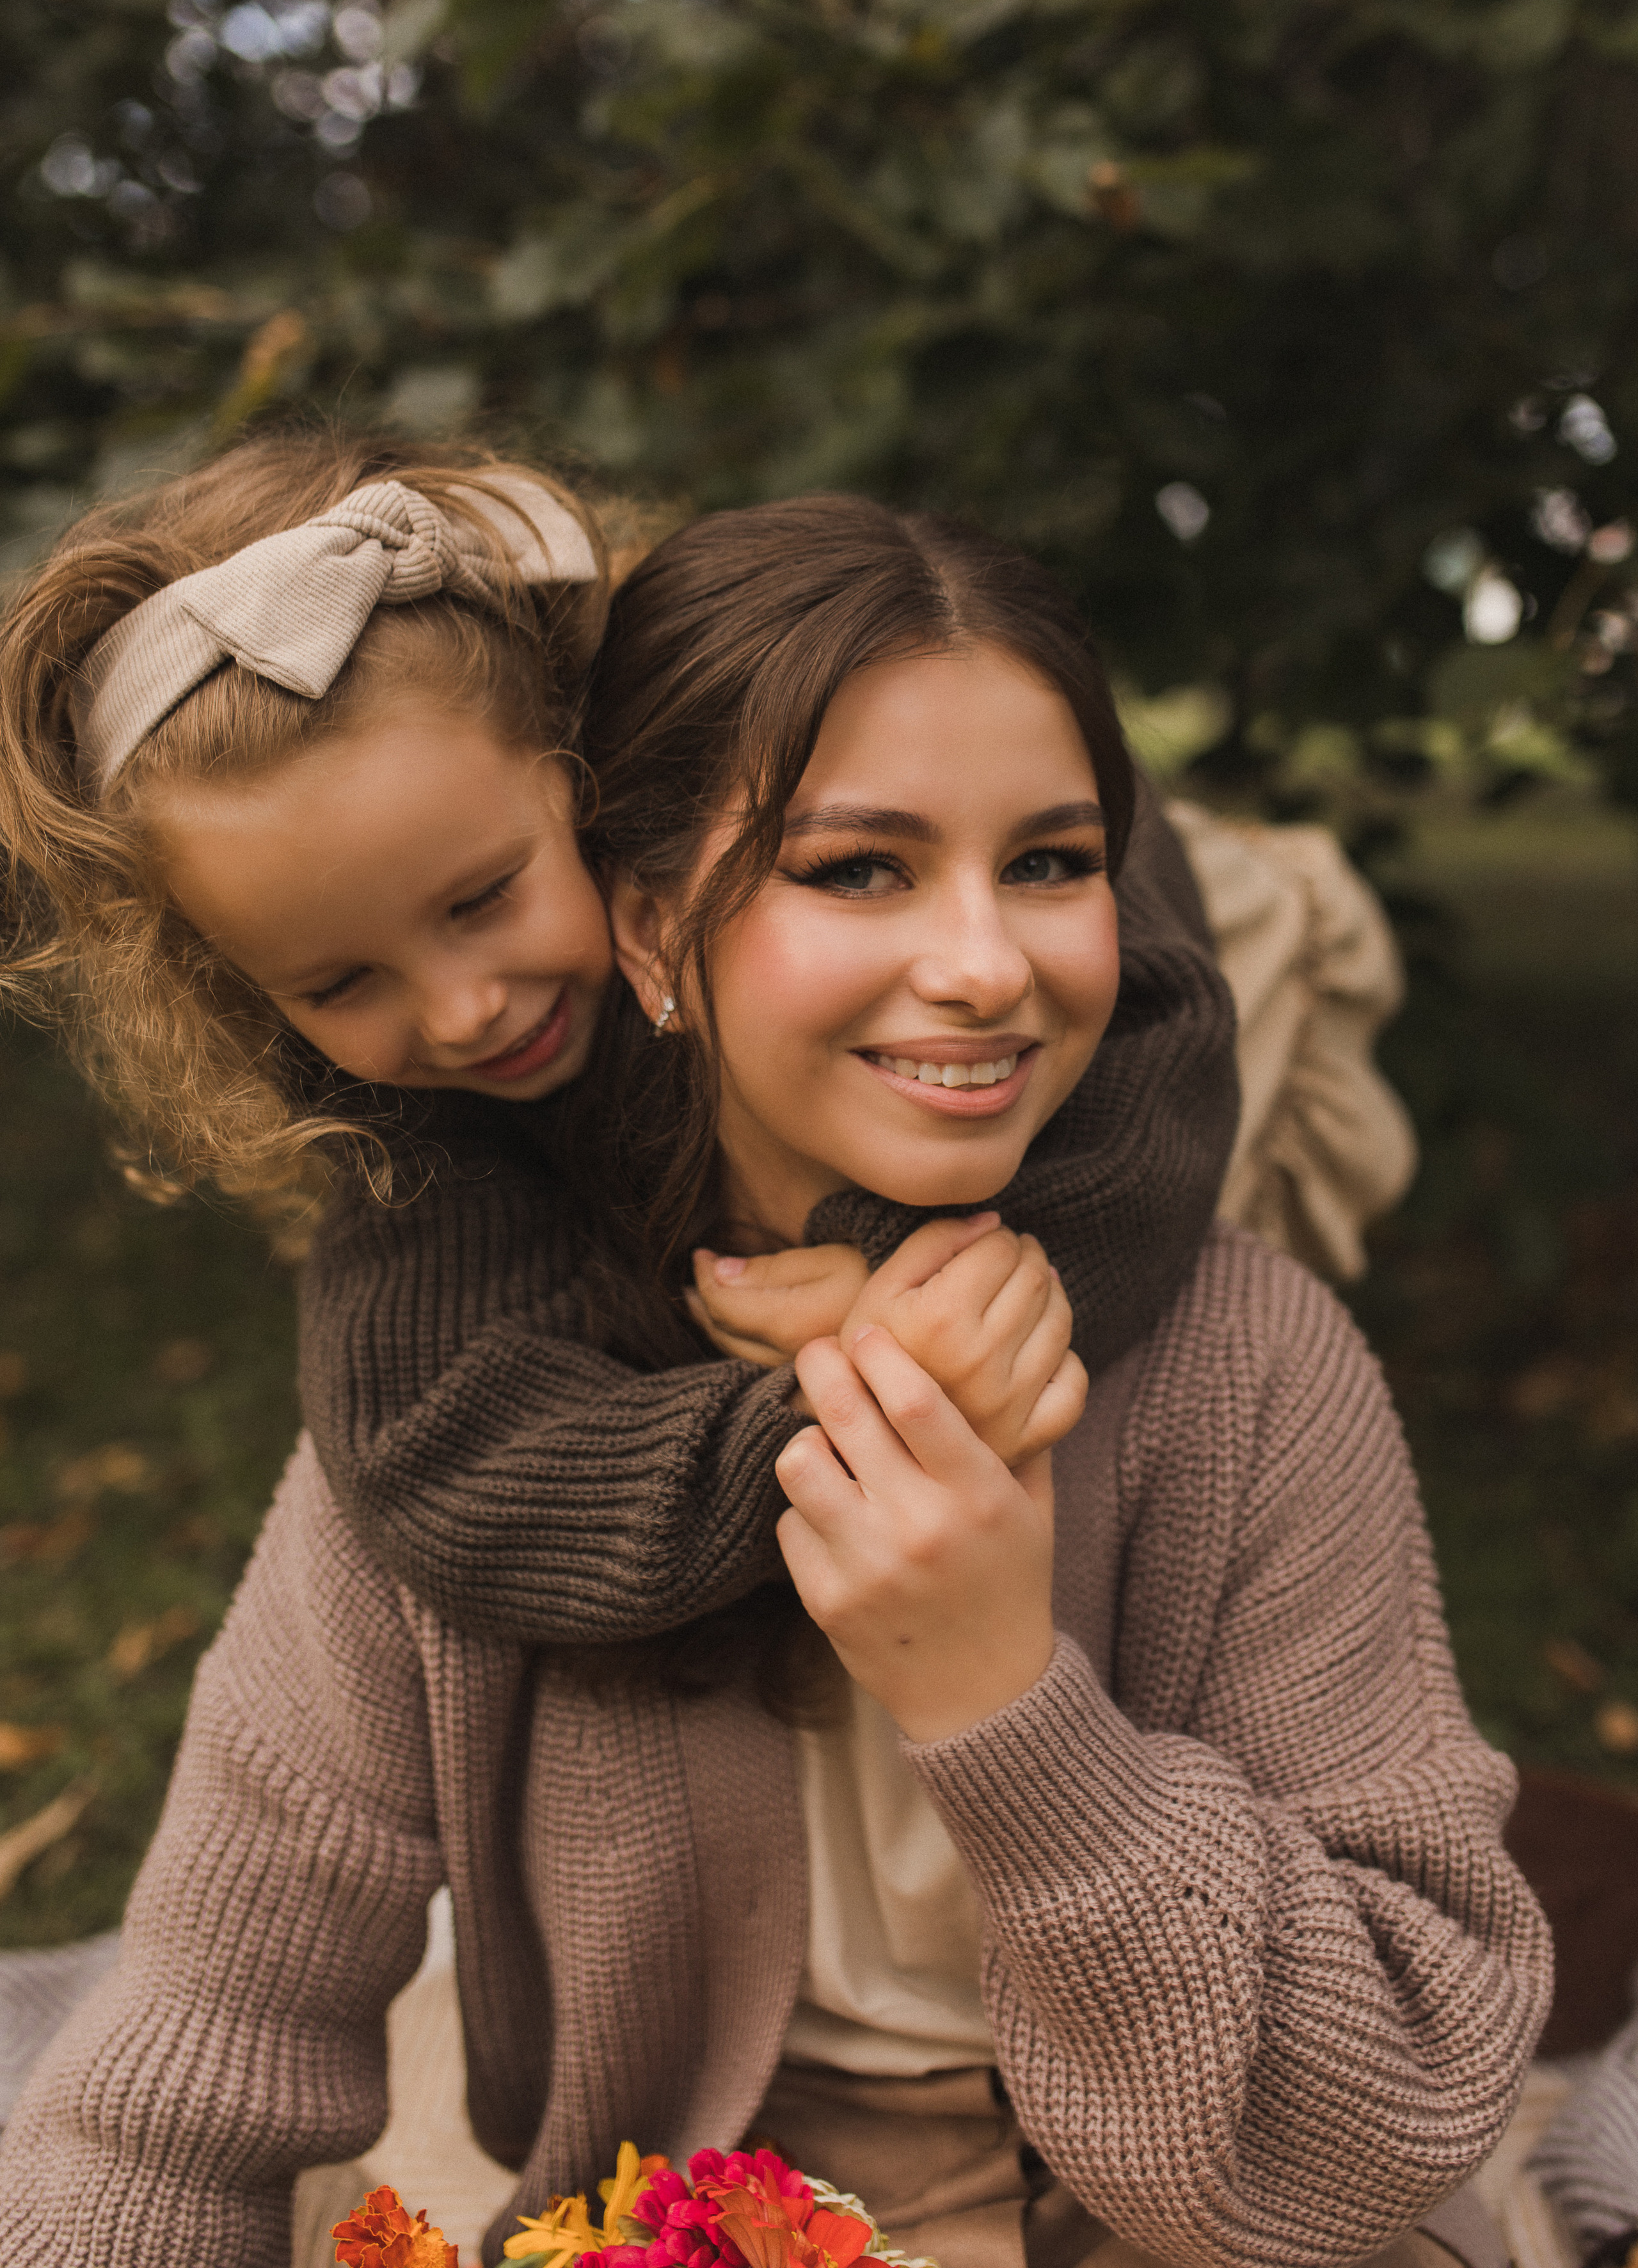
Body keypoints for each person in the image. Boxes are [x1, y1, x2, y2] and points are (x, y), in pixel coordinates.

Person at [0, 474, 1548, 2266]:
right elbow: (190, 2068)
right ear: (648, 920)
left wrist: (1004, 1703)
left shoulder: (1245, 1369)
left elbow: (1387, 2127)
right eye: (856, 869)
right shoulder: (474, 1420)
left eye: (1049, 864)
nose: (980, 966)